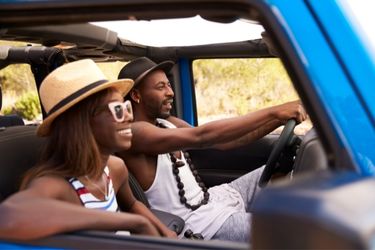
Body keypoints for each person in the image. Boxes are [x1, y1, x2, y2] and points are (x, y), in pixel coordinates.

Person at [116, 57, 307, 242]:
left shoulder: (166, 123)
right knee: (291, 231)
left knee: (297, 170)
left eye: (169, 85)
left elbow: (225, 142)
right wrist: (274, 111)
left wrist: (276, 120)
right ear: (136, 95)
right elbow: (201, 137)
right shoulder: (135, 133)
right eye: (161, 87)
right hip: (198, 225)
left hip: (213, 200)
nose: (170, 92)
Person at [0, 59, 176, 240]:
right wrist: (132, 222)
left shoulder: (115, 168)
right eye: (117, 109)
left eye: (126, 108)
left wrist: (161, 230)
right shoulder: (58, 186)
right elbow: (7, 217)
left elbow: (131, 204)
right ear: (83, 123)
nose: (128, 118)